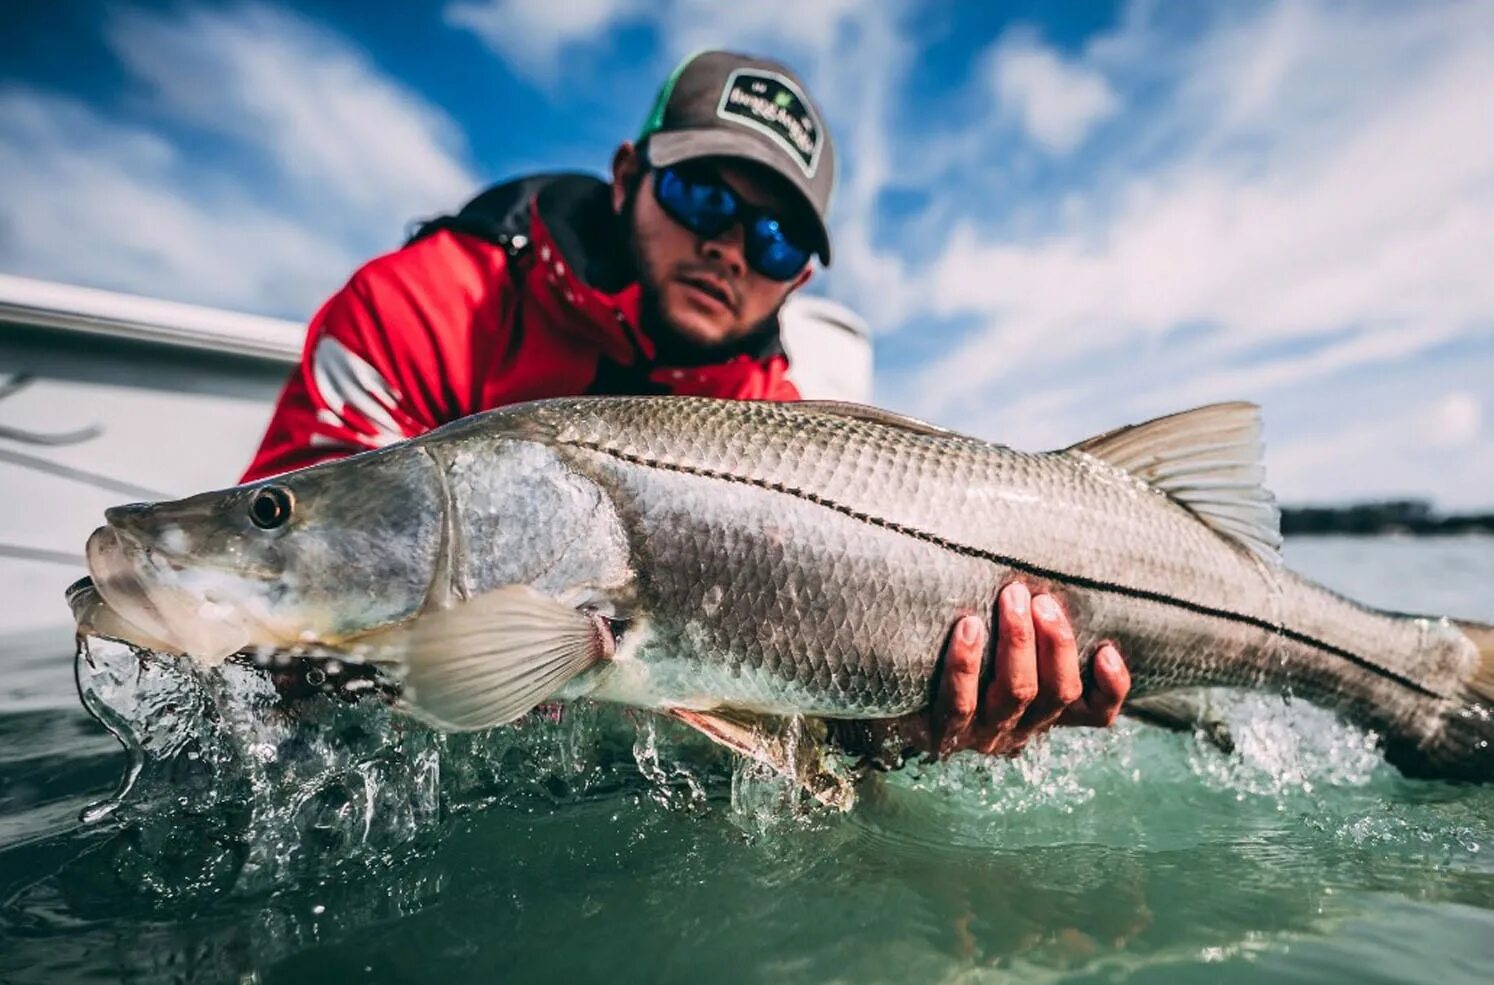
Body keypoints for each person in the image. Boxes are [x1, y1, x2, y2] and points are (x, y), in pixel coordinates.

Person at [240, 49, 1129, 756]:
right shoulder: (426, 305)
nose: (732, 248)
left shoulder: (782, 422)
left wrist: (916, 728)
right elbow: (288, 582)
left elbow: (803, 731)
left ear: (803, 276)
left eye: (776, 239)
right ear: (629, 174)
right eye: (703, 196)